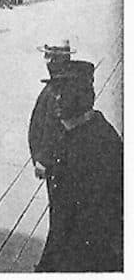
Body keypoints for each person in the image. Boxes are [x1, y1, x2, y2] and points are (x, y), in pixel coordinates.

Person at [35, 60, 122, 272]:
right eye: (55, 91)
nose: (55, 99)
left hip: (87, 253)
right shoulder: (72, 132)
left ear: (81, 97)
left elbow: (97, 219)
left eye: (63, 92)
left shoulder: (101, 145)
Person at [28, 41, 73, 186]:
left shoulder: (57, 90)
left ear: (56, 58)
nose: (46, 60)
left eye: (48, 55)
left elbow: (51, 127)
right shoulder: (60, 84)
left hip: (54, 164)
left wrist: (43, 159)